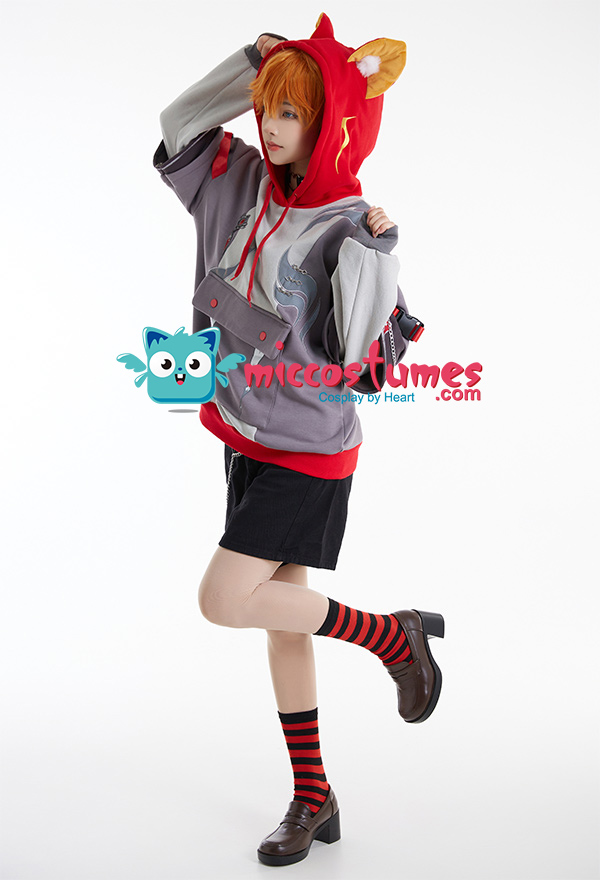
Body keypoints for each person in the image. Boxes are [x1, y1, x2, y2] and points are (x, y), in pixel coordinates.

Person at [154, 13, 444, 867]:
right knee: (282, 622)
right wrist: (252, 63)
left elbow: (361, 363)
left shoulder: (352, 227)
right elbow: (178, 125)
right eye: (267, 106)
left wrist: (376, 259)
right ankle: (314, 797)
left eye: (292, 112)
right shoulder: (238, 181)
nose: (271, 126)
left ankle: (393, 636)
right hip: (246, 435)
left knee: (223, 599)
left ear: (336, 126)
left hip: (309, 453)